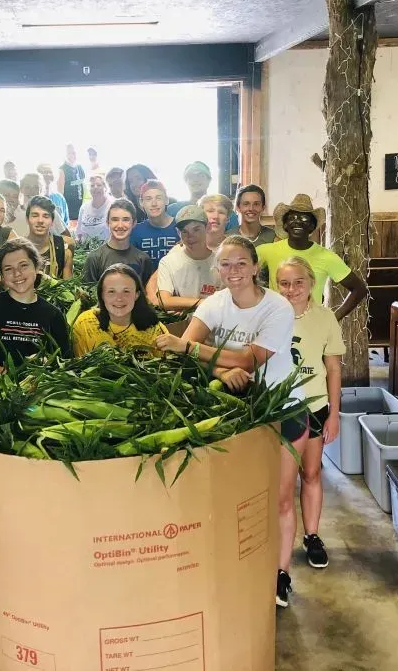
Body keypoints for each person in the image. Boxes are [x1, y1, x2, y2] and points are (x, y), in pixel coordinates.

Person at [152, 236, 305, 610]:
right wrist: (221, 370)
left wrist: (191, 348)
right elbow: (186, 357)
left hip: (280, 406)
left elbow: (248, 360)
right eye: (225, 264)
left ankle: (280, 575)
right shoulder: (214, 304)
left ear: (255, 267)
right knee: (237, 498)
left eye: (241, 263)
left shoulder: (278, 308)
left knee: (281, 498)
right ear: (217, 269)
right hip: (233, 409)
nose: (233, 271)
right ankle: (240, 571)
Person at [276, 257, 344, 575]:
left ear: (311, 284)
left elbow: (333, 368)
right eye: (284, 283)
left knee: (311, 473)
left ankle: (312, 535)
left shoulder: (325, 317)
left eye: (298, 282)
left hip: (313, 406)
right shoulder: (268, 314)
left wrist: (334, 414)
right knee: (280, 481)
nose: (292, 289)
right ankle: (277, 543)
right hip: (276, 407)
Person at [0, 240, 71, 377]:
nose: (17, 273)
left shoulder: (53, 315)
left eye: (23, 265)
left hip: (40, 388)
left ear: (37, 267)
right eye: (8, 269)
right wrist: (19, 377)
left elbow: (63, 365)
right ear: (2, 276)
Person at [257, 194, 369, 320]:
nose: (298, 221)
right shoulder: (267, 251)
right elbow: (244, 269)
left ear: (312, 226)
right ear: (285, 225)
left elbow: (359, 289)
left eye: (304, 218)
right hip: (276, 322)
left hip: (311, 324)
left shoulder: (327, 257)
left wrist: (333, 318)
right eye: (293, 218)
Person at [72, 264, 167, 356]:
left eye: (126, 291)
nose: (119, 298)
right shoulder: (86, 323)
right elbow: (79, 363)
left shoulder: (155, 330)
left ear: (136, 295)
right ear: (102, 295)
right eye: (111, 291)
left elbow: (165, 364)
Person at [148, 205, 220, 311]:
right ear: (178, 233)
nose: (190, 236)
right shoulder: (168, 262)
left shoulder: (221, 261)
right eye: (184, 231)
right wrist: (203, 303)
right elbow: (164, 301)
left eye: (196, 229)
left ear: (207, 227)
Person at [81, 199, 153, 284]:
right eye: (115, 219)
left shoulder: (143, 259)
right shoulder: (95, 258)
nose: (120, 225)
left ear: (134, 223)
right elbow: (87, 290)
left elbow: (148, 291)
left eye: (126, 220)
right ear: (107, 223)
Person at [131, 180, 179, 273]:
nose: (154, 203)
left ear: (166, 200)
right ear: (141, 202)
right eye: (148, 199)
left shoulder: (181, 227)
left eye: (158, 198)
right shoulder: (136, 232)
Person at [24, 196, 72, 279]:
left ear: (52, 221)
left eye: (46, 216)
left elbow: (68, 284)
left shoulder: (63, 251)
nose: (40, 221)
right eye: (35, 215)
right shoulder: (17, 249)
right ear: (27, 219)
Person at [11, 173, 68, 238]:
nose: (31, 191)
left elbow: (68, 238)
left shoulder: (49, 211)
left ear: (41, 190)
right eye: (27, 187)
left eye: (36, 187)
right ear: (21, 189)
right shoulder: (15, 213)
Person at [74, 172, 111, 242]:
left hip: (106, 246)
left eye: (99, 185)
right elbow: (78, 233)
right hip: (85, 247)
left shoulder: (112, 206)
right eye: (92, 185)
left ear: (105, 188)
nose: (95, 187)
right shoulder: (84, 207)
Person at [57, 144, 86, 221]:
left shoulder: (80, 168)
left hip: (81, 209)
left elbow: (85, 186)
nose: (72, 155)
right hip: (69, 211)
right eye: (69, 153)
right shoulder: (62, 169)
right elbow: (60, 194)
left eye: (73, 153)